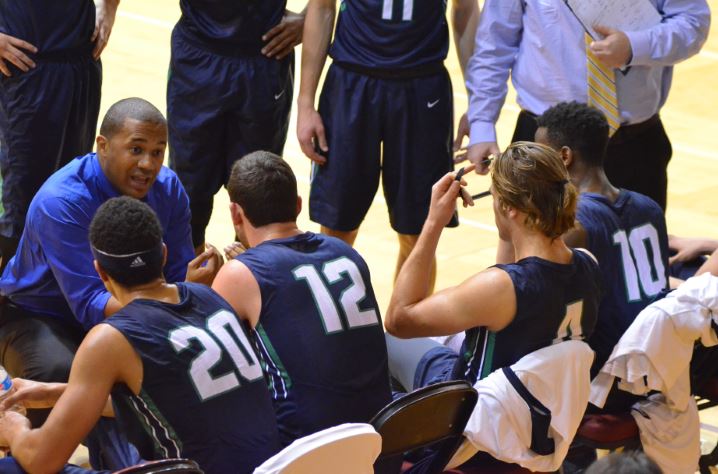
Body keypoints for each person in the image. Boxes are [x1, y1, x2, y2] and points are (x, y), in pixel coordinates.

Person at [0, 196, 281, 474]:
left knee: (12, 467)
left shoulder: (110, 339)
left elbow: (40, 460)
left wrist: (13, 429)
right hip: (278, 466)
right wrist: (53, 393)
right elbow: (172, 401)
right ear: (164, 254)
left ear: (101, 272)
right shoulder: (210, 295)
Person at [0, 98, 221, 430]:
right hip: (38, 313)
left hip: (133, 308)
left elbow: (177, 273)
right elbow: (90, 304)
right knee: (60, 373)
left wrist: (192, 290)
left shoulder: (169, 188)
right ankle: (13, 430)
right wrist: (178, 299)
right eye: (136, 150)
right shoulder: (61, 202)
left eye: (158, 152)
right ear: (102, 146)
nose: (148, 164)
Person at [384, 141, 601, 394]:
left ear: (509, 208)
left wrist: (433, 222)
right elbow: (515, 279)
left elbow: (398, 319)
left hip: (472, 412)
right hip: (542, 410)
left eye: (494, 197)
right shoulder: (588, 263)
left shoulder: (499, 288)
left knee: (384, 340)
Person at [211, 151, 392, 447]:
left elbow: (214, 372)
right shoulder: (346, 253)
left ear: (235, 213)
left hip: (303, 451)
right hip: (380, 442)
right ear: (297, 205)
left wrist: (200, 294)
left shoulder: (239, 275)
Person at [459, 0, 710, 211]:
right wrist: (482, 122)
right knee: (534, 259)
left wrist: (635, 46)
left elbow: (693, 24)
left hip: (635, 143)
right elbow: (494, 43)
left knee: (634, 262)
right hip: (545, 143)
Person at [297, 0, 480, 287]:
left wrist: (479, 104)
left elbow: (466, 10)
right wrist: (305, 103)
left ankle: (408, 329)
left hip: (422, 91)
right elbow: (322, 7)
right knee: (336, 230)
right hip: (351, 85)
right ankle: (336, 330)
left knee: (419, 233)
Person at [533, 101, 670, 381]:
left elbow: (525, 292)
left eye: (540, 154)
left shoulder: (573, 225)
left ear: (564, 156)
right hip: (659, 355)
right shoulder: (650, 207)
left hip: (607, 368)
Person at [168, 0, 306, 253]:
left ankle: (247, 280)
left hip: (264, 57)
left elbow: (323, 6)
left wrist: (309, 16)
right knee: (189, 191)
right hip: (198, 53)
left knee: (258, 191)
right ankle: (190, 283)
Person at [0, 0, 120, 269]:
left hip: (80, 61)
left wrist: (110, 5)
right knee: (18, 208)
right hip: (22, 70)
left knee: (68, 194)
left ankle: (48, 294)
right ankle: (10, 301)